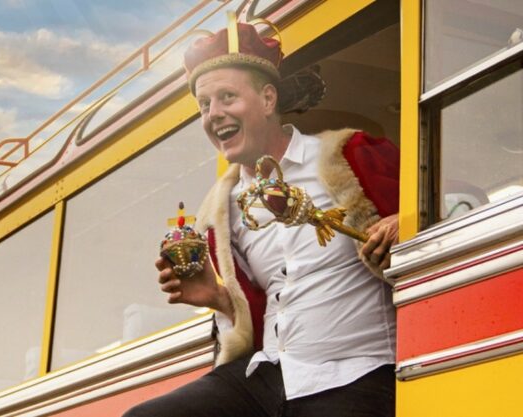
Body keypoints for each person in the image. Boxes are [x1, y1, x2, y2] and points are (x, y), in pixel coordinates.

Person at [124, 19, 400, 417]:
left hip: (358, 371)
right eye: (204, 104)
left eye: (227, 97)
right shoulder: (223, 211)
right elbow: (261, 309)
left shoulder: (351, 155)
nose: (214, 114)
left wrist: (402, 222)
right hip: (267, 377)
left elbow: (437, 211)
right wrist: (219, 298)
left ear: (268, 99)